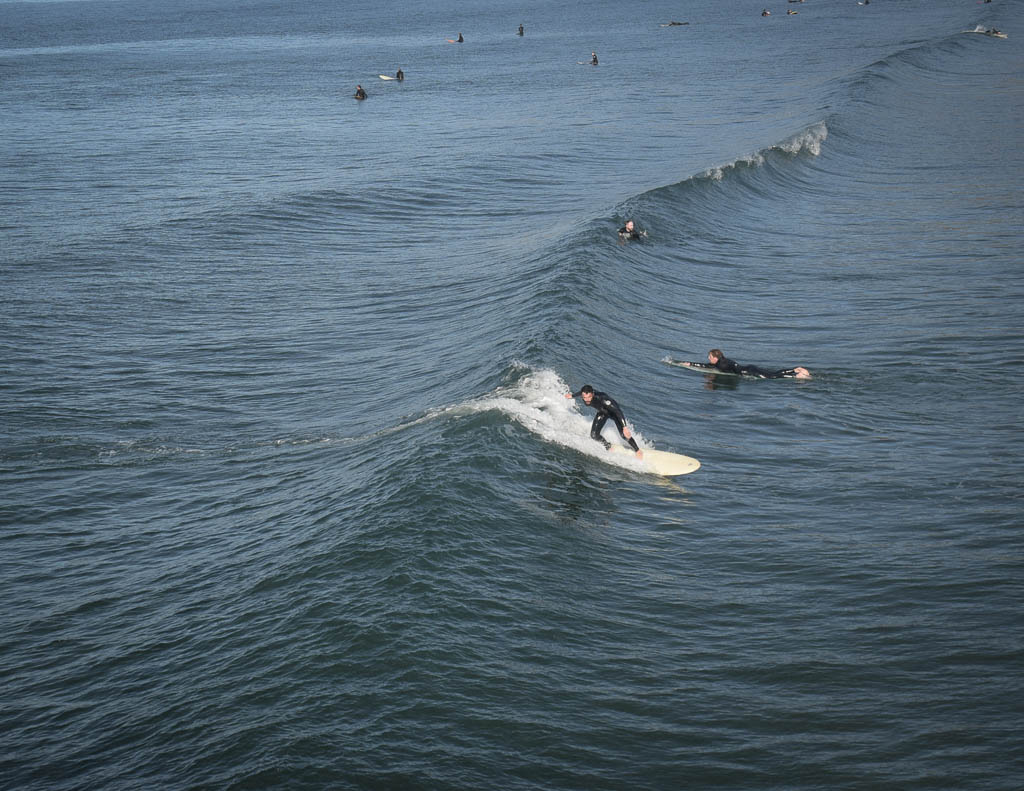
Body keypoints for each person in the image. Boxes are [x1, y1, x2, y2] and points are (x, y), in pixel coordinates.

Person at [565, 385, 643, 458]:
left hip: (614, 413)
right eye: (584, 397)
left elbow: (618, 411)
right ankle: (608, 446)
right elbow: (581, 392)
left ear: (592, 394)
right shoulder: (585, 393)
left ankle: (637, 450)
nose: (586, 399)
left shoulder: (603, 399)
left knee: (624, 435)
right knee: (594, 435)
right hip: (603, 413)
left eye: (589, 397)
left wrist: (625, 427)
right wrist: (572, 396)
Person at [685, 349, 811, 379]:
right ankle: (795, 369)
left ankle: (796, 376)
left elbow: (705, 366)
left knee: (771, 377)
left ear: (714, 358)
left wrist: (689, 363)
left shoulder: (719, 364)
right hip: (750, 367)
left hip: (749, 372)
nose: (708, 358)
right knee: (772, 373)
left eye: (709, 357)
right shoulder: (725, 360)